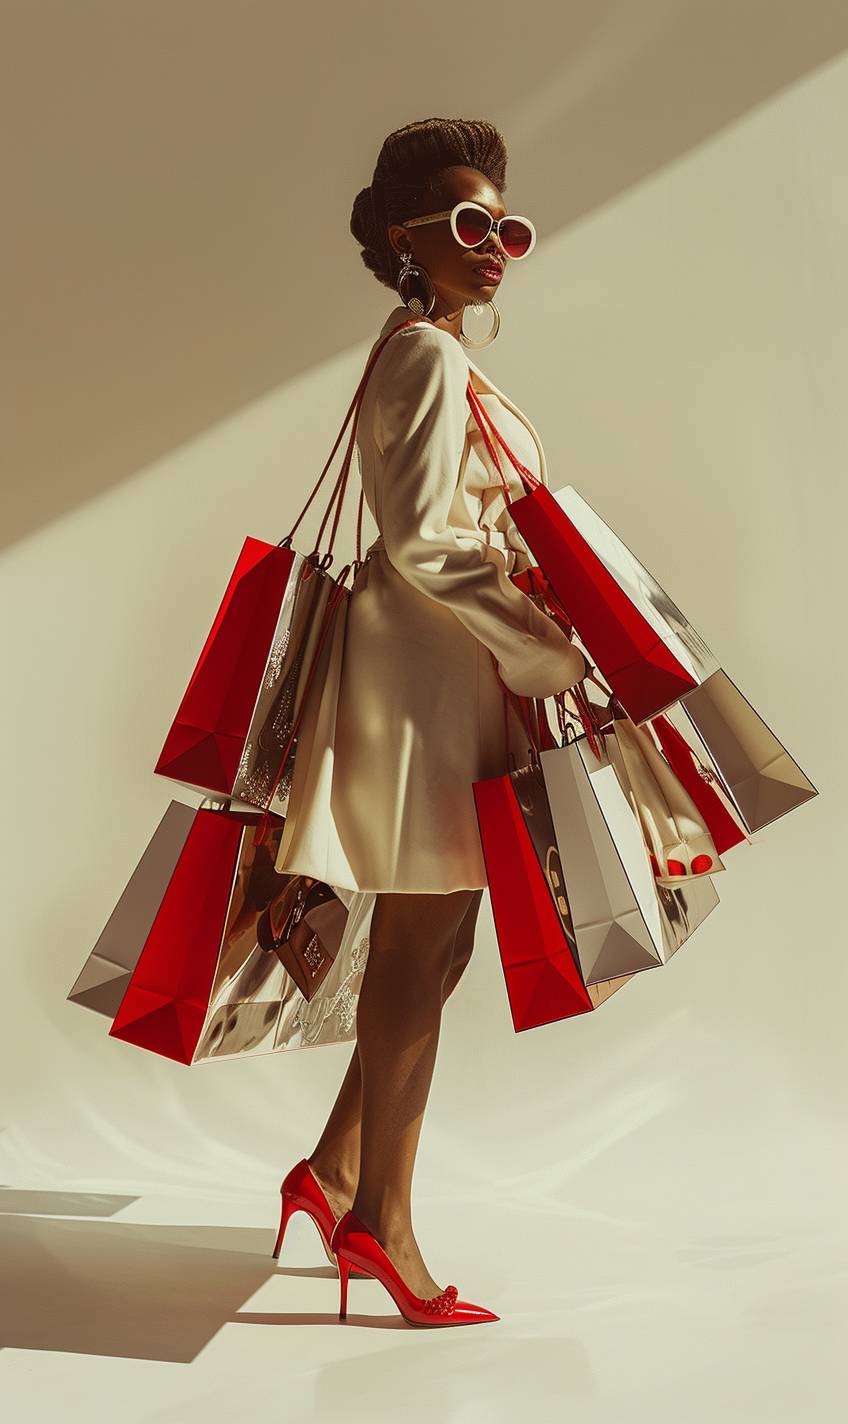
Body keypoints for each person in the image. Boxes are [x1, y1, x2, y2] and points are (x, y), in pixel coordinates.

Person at [272, 117, 589, 1327]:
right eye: (469, 225)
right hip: (424, 676)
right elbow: (422, 543)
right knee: (418, 942)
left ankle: (337, 1170)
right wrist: (545, 642)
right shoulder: (425, 357)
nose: (496, 244)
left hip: (443, 672)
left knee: (438, 943)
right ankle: (381, 1229)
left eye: (506, 225)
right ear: (406, 236)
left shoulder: (438, 355)